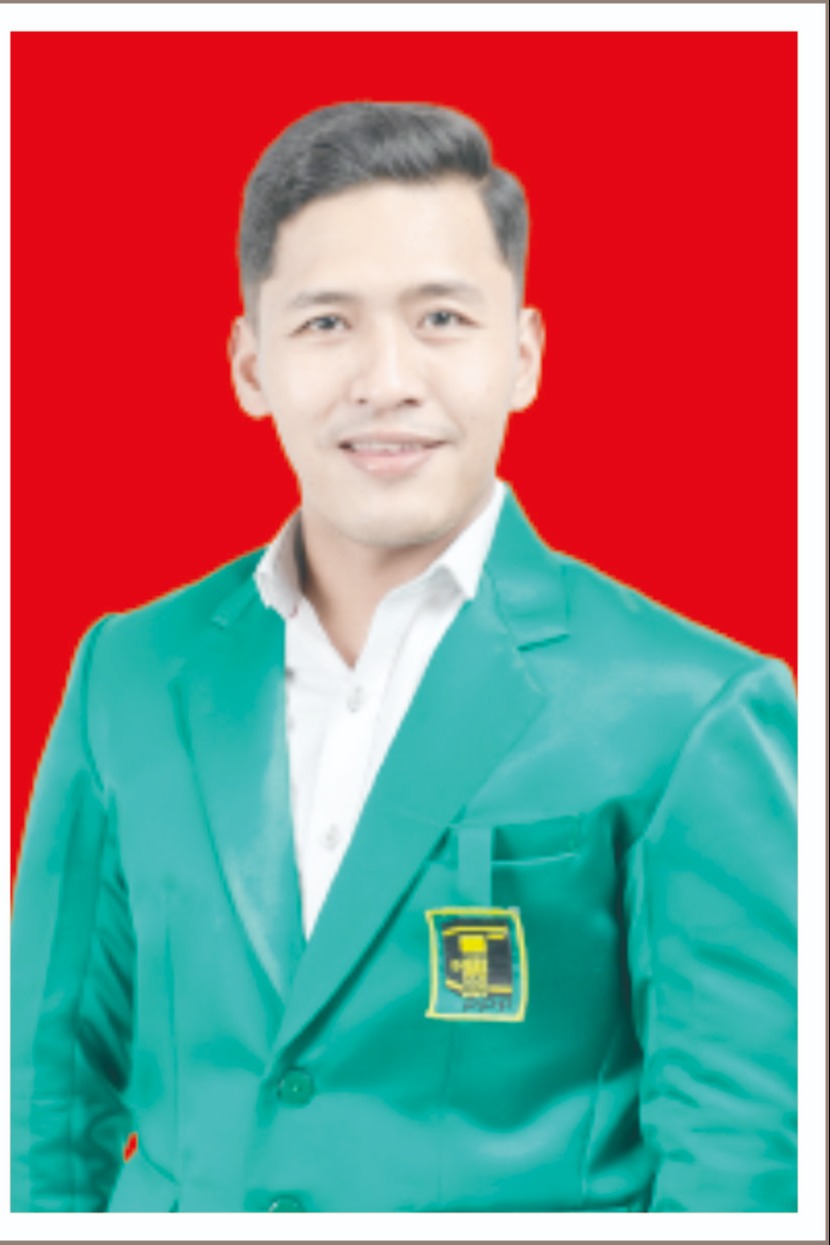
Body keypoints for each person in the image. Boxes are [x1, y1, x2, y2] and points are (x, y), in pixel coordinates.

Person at [10, 101, 797, 1214]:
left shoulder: (694, 709)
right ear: (249, 364)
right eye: (327, 322)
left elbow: (742, 1162)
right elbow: (39, 1098)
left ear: (522, 354)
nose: (386, 378)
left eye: (440, 317)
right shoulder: (128, 673)